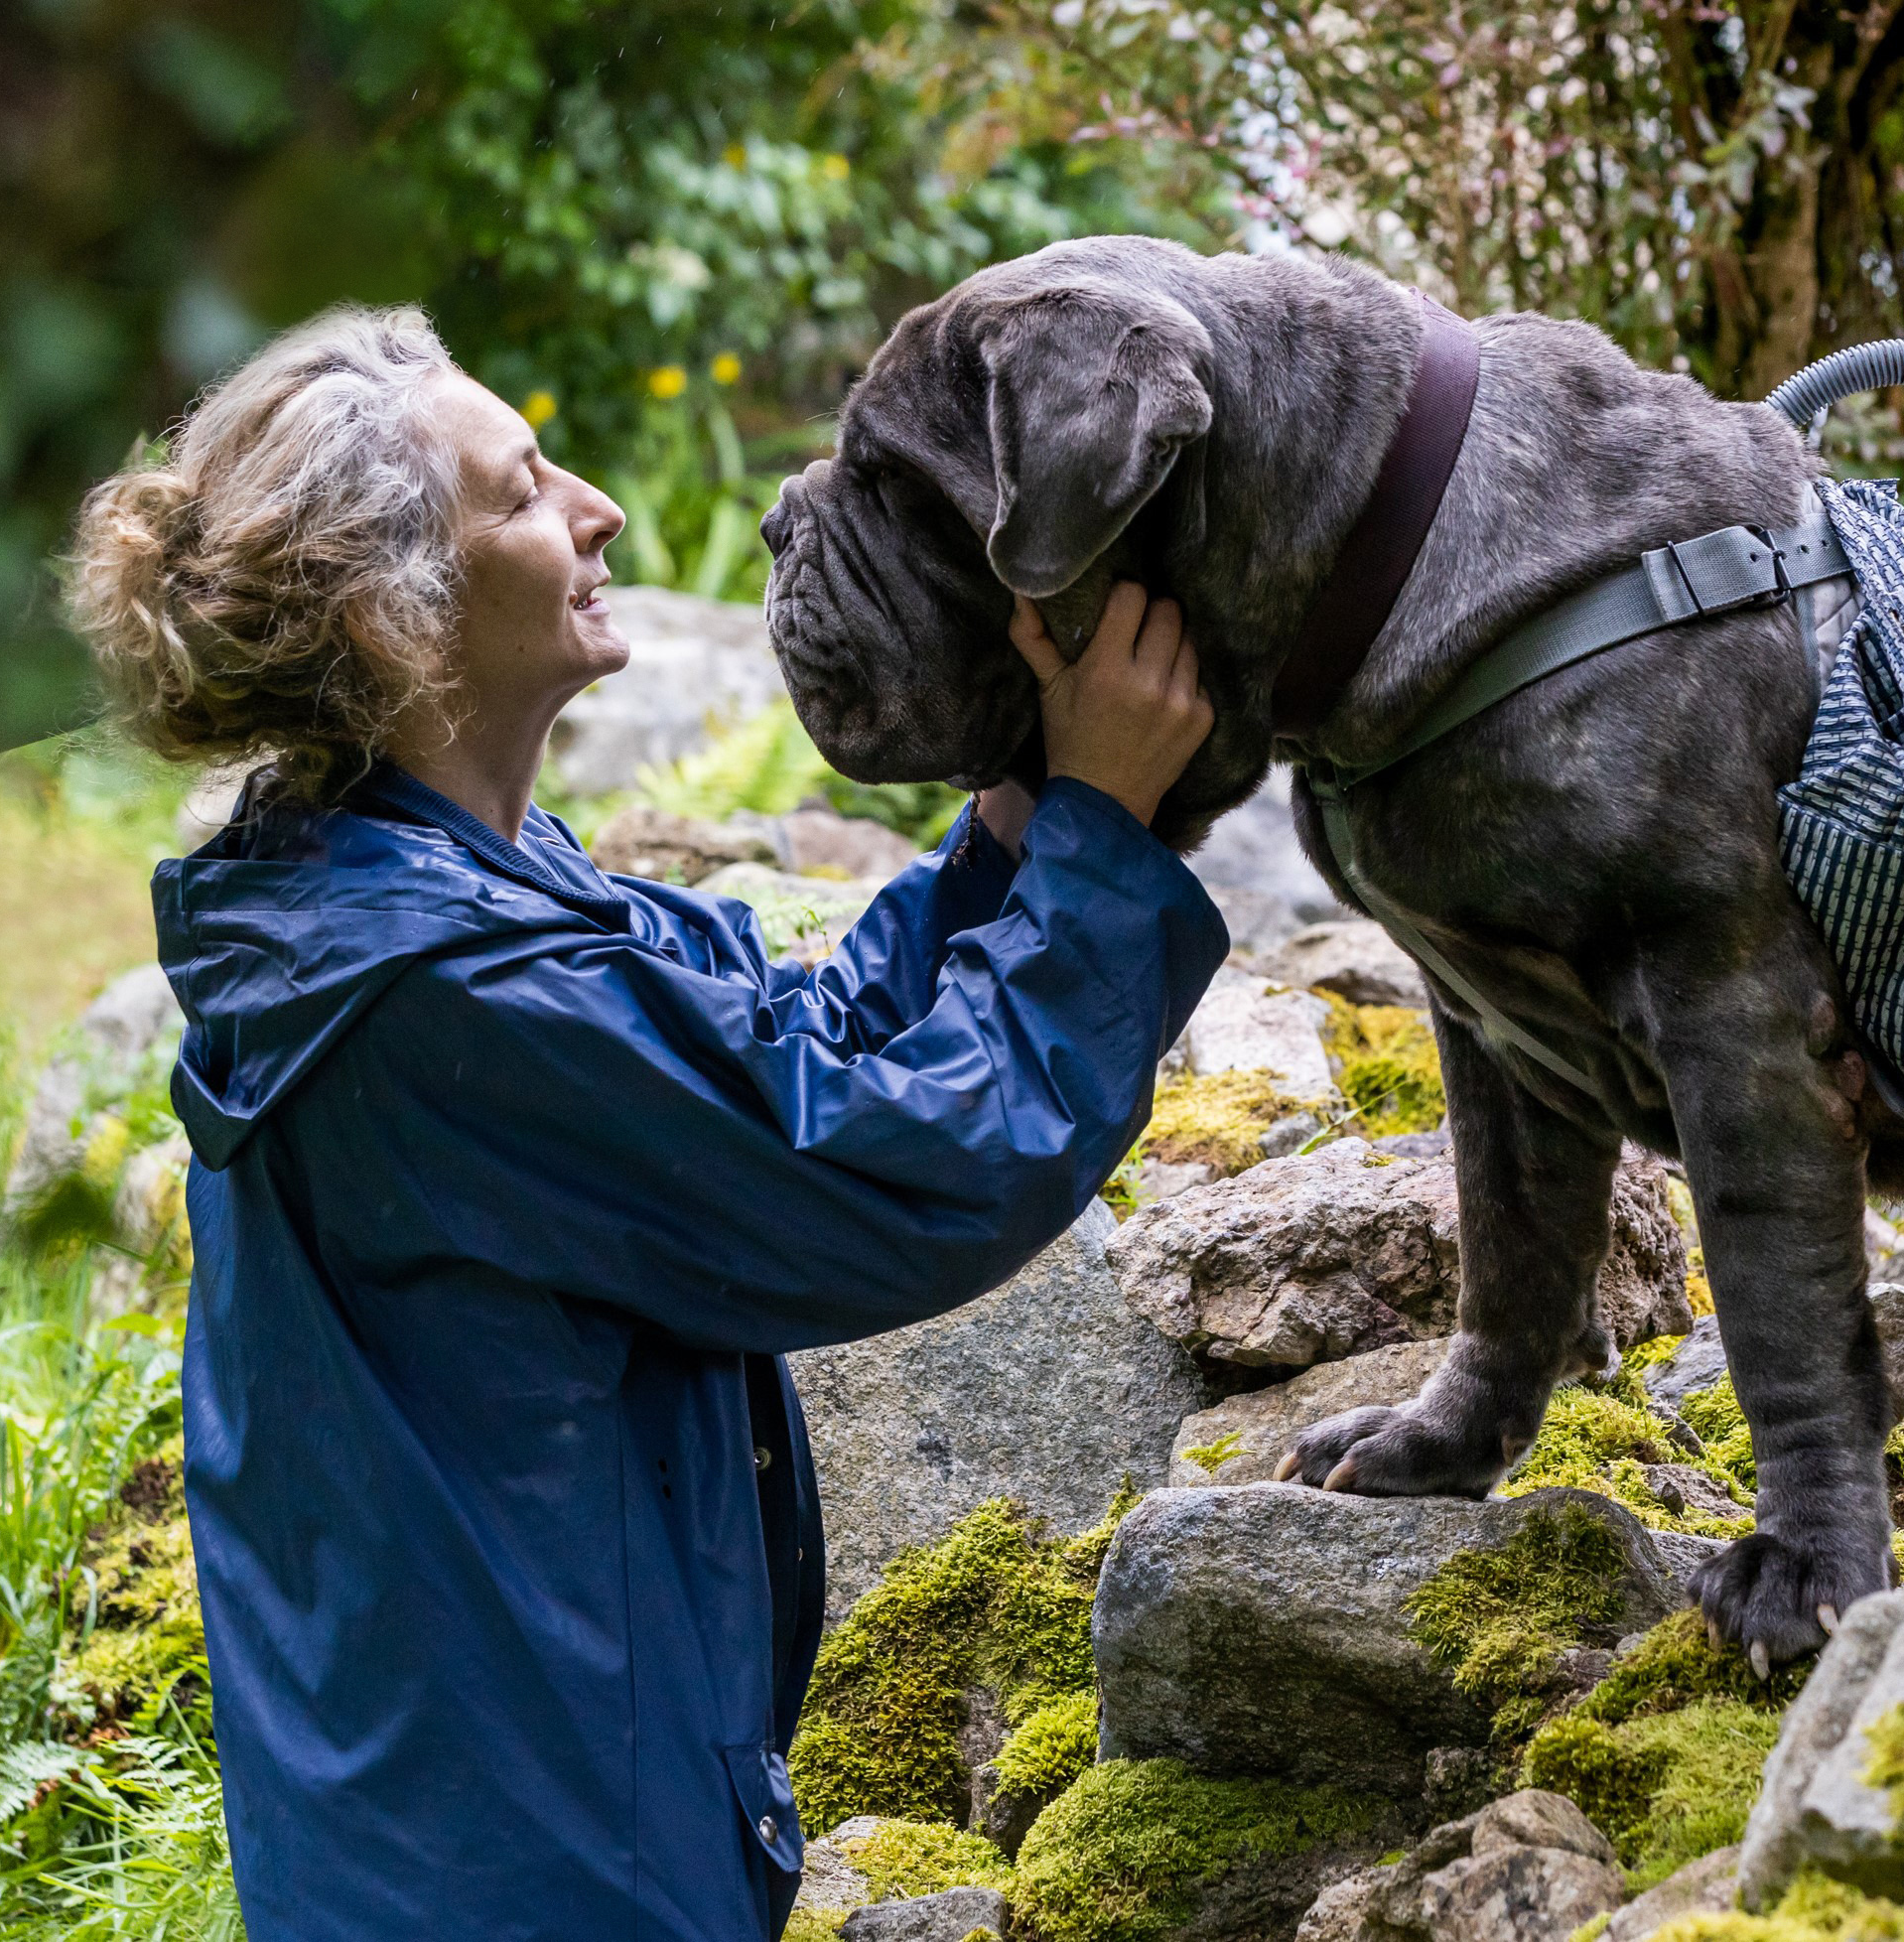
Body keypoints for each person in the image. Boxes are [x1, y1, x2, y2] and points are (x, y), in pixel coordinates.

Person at [65, 305, 1227, 1941]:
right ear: (397, 616)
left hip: (478, 1812)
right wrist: (1102, 841)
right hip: (541, 1869)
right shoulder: (435, 992)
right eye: (526, 488)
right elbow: (890, 1167)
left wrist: (1017, 830)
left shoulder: (417, 888)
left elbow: (787, 1051)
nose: (598, 507)